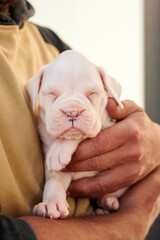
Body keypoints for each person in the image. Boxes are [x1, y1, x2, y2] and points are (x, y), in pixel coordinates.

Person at [0, 0, 160, 239]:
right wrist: (131, 222)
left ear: (107, 88)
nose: (72, 111)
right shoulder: (40, 76)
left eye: (91, 94)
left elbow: (141, 138)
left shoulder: (49, 43)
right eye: (53, 96)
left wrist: (154, 139)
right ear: (35, 91)